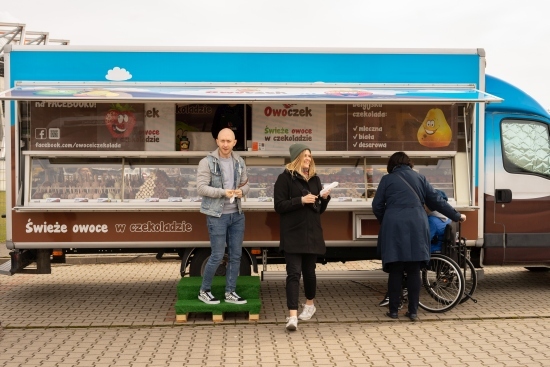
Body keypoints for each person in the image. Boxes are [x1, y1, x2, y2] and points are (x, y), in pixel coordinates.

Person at [372, 151, 466, 321]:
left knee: (396, 269)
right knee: (414, 270)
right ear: (409, 163)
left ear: (392, 165)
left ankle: (393, 311)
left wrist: (386, 220)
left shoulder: (387, 179)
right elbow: (437, 201)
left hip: (394, 226)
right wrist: (456, 216)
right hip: (417, 224)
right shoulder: (420, 178)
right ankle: (413, 312)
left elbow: (377, 205)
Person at [274, 143, 331, 331]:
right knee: (293, 274)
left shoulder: (315, 179)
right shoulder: (285, 179)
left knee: (309, 273)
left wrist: (324, 198)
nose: (308, 158)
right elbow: (279, 206)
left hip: (312, 233)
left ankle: (309, 305)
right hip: (293, 234)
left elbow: (318, 210)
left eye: (309, 155)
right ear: (296, 157)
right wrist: (300, 200)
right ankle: (292, 316)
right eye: (304, 155)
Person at [196, 128, 250, 305]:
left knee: (235, 256)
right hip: (216, 215)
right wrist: (222, 192)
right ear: (217, 141)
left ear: (235, 143)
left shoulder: (239, 161)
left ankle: (230, 292)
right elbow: (201, 188)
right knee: (217, 255)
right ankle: (204, 291)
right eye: (222, 141)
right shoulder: (206, 162)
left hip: (237, 214)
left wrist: (241, 191)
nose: (225, 144)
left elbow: (246, 185)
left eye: (229, 141)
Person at [377, 189, 450, 307]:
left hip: (430, 251)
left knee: (402, 267)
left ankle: (396, 298)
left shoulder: (432, 221)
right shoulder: (446, 218)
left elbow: (424, 239)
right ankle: (409, 306)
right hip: (441, 250)